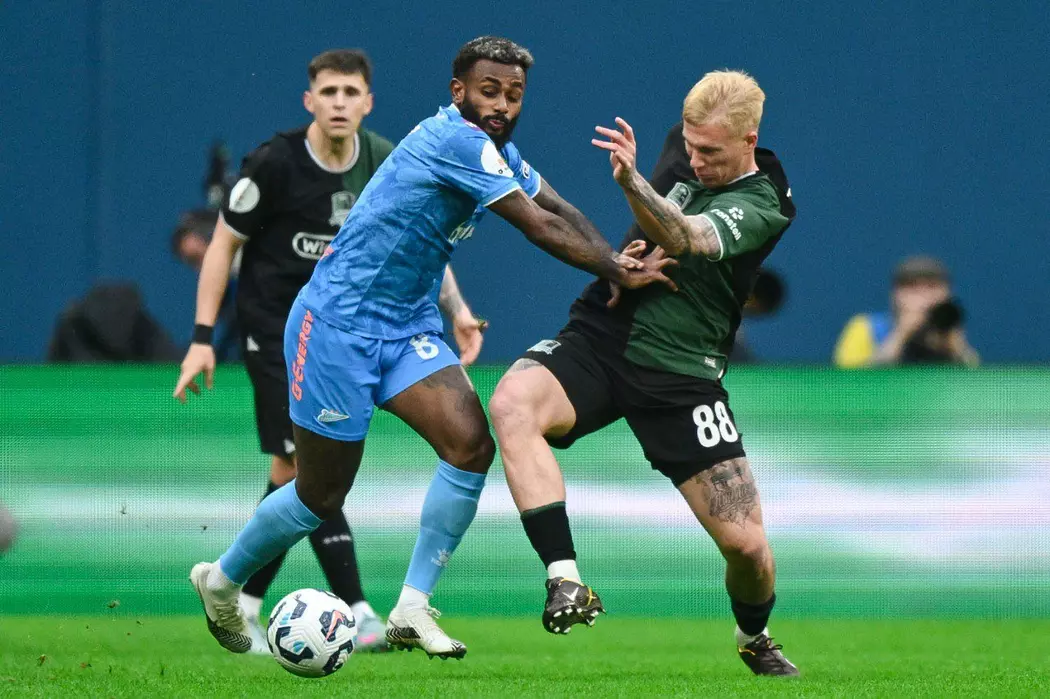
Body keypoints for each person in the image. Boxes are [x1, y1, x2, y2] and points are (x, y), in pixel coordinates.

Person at [187, 35, 675, 661]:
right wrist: (614, 268)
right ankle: (222, 581)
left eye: (514, 95)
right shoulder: (455, 141)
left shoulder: (498, 151)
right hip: (337, 326)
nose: (501, 105)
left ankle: (412, 607)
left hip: (407, 328)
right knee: (319, 494)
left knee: (470, 445)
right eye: (489, 91)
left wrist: (612, 258)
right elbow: (536, 225)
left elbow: (557, 205)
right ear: (458, 92)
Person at [489, 70, 800, 676]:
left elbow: (683, 233)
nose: (695, 160)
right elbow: (653, 228)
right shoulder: (683, 145)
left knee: (747, 547)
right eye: (691, 144)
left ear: (749, 140)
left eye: (711, 153)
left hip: (682, 374)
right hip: (603, 336)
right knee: (511, 402)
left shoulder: (767, 202)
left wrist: (630, 183)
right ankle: (564, 579)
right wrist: (619, 261)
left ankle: (753, 636)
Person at [173, 49, 402, 653]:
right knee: (308, 466)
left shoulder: (382, 161)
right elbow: (222, 244)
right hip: (274, 333)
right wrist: (201, 339)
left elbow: (412, 240)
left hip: (338, 336)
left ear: (368, 102)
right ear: (309, 100)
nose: (339, 103)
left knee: (288, 472)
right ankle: (358, 611)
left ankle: (238, 597)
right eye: (328, 92)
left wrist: (455, 310)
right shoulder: (274, 162)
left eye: (350, 92)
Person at [834, 256, 978, 367]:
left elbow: (975, 385)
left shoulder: (949, 332)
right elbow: (846, 383)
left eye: (932, 287)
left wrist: (956, 348)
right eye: (912, 288)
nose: (923, 297)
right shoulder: (867, 327)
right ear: (895, 295)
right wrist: (900, 335)